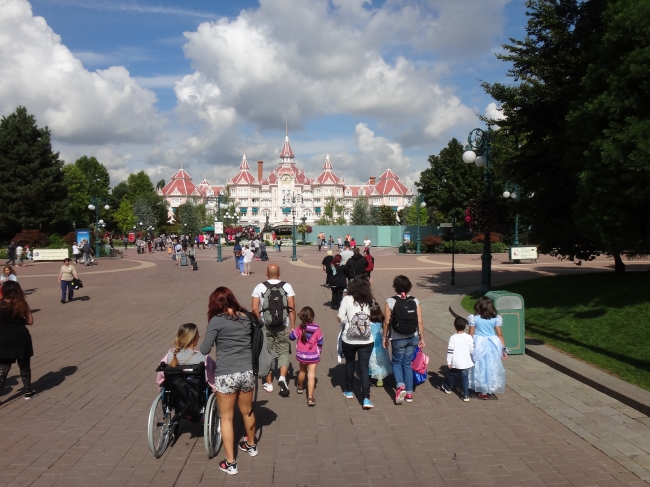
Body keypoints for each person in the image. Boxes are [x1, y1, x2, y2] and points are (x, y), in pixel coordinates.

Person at [200, 287, 258, 475]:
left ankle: (230, 462)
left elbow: (204, 349)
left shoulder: (217, 321)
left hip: (226, 374)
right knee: (247, 411)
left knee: (226, 418)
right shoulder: (246, 317)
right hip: (247, 371)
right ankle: (251, 445)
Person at [251, 264, 295, 397]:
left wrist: (259, 322)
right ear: (279, 273)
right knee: (283, 352)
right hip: (282, 324)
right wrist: (292, 326)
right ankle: (282, 378)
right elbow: (291, 307)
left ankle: (269, 384)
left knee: (267, 353)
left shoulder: (260, 287)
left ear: (266, 273)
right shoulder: (287, 286)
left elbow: (254, 308)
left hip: (266, 325)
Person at [383, 275, 425, 405]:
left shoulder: (390, 301)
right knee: (407, 363)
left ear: (395, 287)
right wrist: (422, 338)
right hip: (413, 337)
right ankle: (409, 393)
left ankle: (400, 386)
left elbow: (386, 322)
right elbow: (420, 321)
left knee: (396, 362)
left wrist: (385, 337)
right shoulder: (415, 300)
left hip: (398, 337)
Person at [338, 278, 375, 410]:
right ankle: (366, 398)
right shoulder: (370, 301)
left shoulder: (347, 299)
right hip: (366, 339)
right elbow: (375, 317)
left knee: (350, 363)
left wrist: (346, 320)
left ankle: (348, 390)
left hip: (349, 338)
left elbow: (340, 317)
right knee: (363, 367)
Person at [0, 281, 37, 401]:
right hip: (21, 337)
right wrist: (19, 322)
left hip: (4, 338)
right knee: (24, 365)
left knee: (3, 368)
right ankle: (28, 391)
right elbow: (30, 321)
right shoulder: (22, 304)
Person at [156, 323, 216, 394]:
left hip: (174, 394)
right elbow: (212, 381)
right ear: (194, 338)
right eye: (197, 335)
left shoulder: (170, 356)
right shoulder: (204, 358)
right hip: (197, 395)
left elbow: (160, 379)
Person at [468, 296, 507, 399]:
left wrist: (468, 347)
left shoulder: (474, 318)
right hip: (492, 344)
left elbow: (470, 335)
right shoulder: (495, 318)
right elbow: (500, 335)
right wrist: (504, 349)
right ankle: (490, 386)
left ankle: (482, 389)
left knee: (479, 366)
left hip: (479, 343)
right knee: (491, 365)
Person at [289, 307, 323, 406]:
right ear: (312, 317)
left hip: (301, 355)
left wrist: (292, 331)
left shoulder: (300, 328)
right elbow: (320, 342)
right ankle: (310, 398)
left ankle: (300, 387)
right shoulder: (317, 328)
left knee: (302, 371)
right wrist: (319, 352)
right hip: (313, 356)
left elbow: (291, 337)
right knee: (311, 375)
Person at [441, 317, 474, 401]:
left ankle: (448, 387)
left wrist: (449, 361)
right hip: (466, 362)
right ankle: (465, 394)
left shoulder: (453, 338)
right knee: (465, 378)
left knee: (452, 375)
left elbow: (450, 351)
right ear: (465, 326)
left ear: (454, 327)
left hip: (455, 362)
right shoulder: (469, 337)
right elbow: (472, 349)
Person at [368, 303, 391, 388]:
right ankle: (380, 378)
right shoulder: (381, 319)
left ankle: (370, 376)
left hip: (370, 342)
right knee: (380, 361)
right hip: (379, 343)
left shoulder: (368, 321)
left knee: (370, 360)